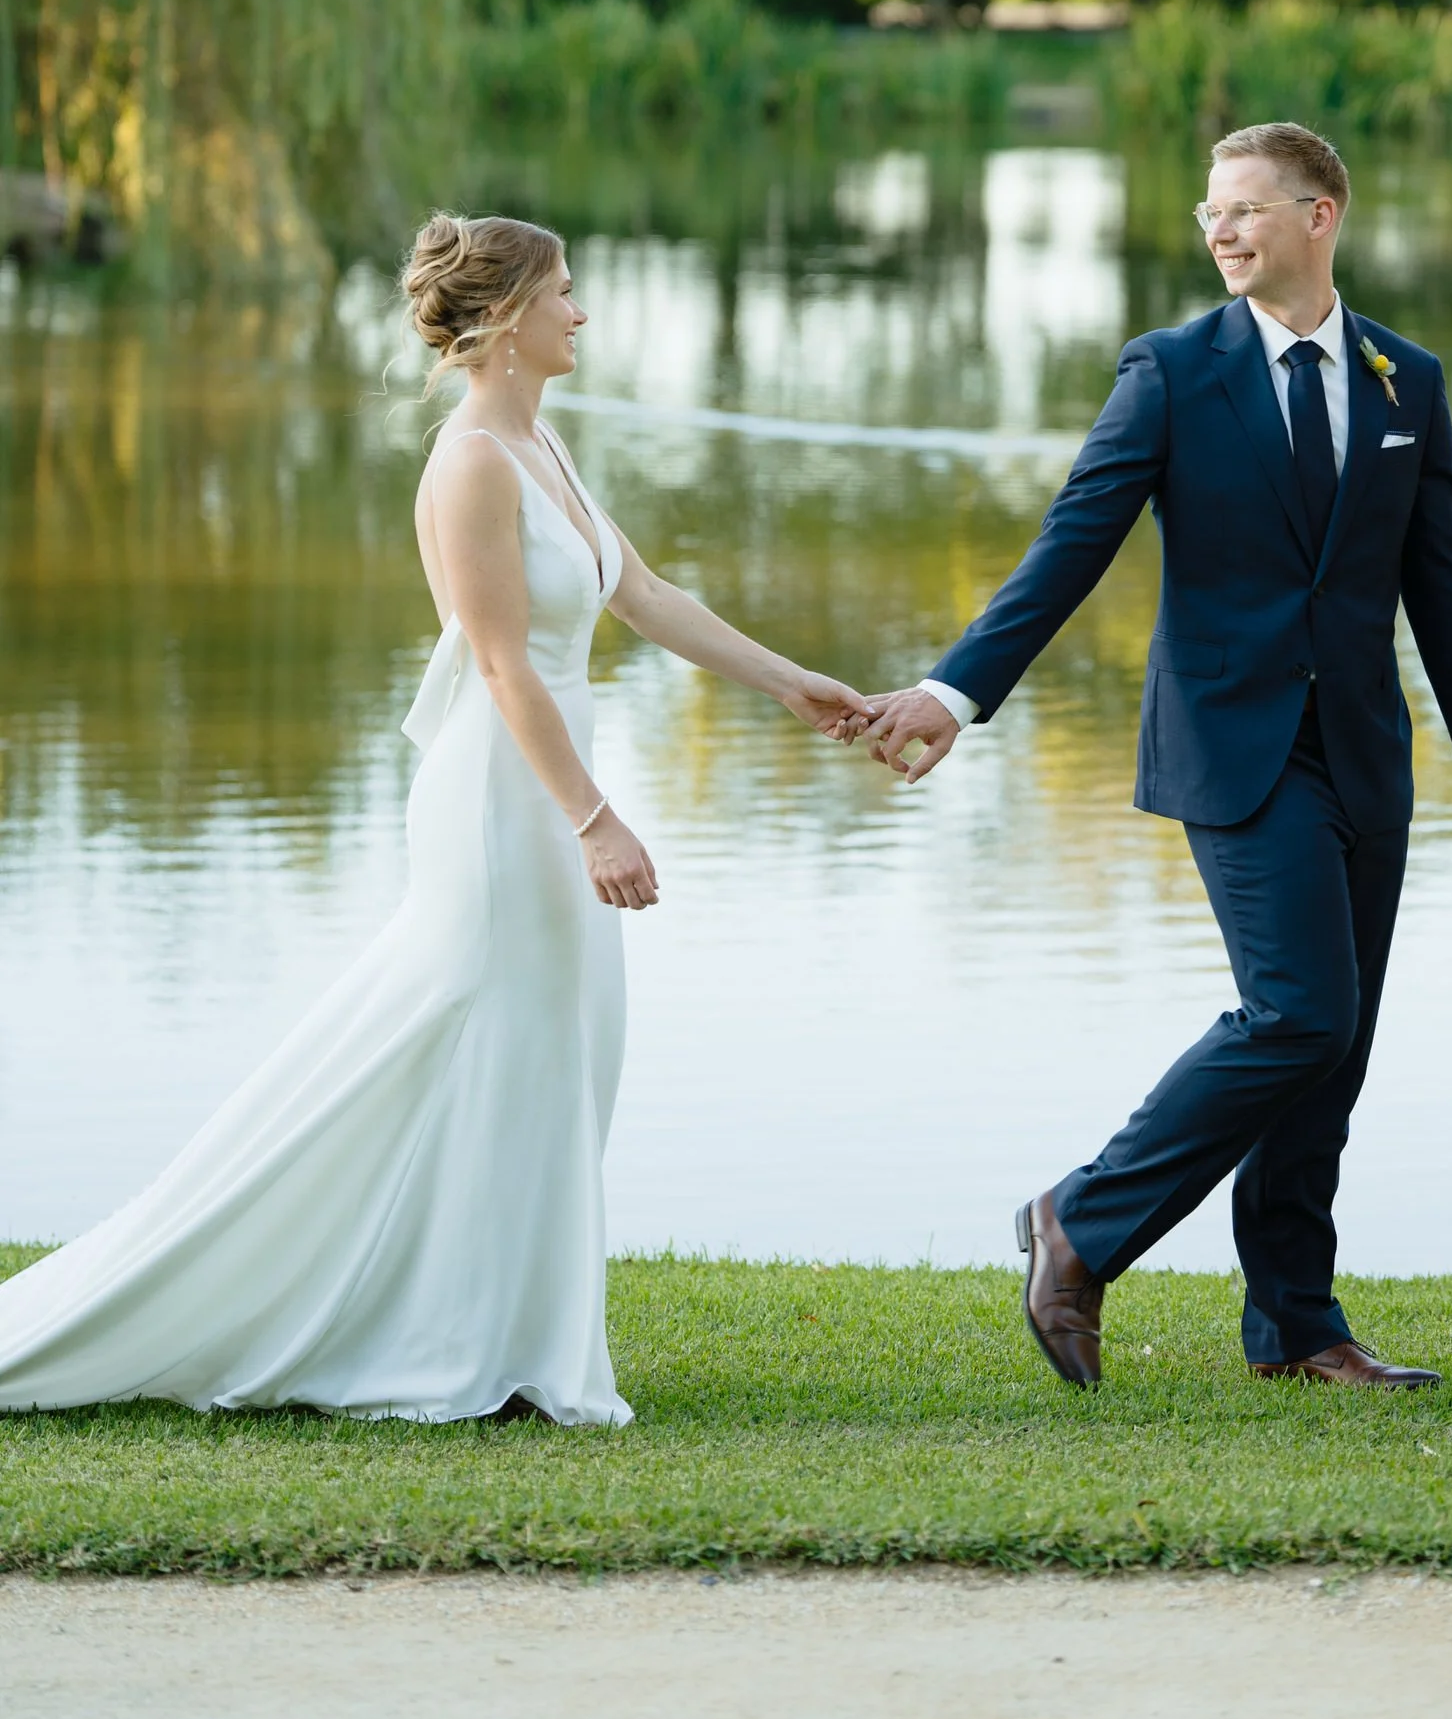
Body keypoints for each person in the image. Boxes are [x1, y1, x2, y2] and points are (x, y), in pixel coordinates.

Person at [0, 213, 872, 1423]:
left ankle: (503, 1334)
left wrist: (792, 683)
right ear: (507, 316)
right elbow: (507, 667)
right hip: (505, 803)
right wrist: (595, 820)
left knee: (551, 1057)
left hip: (546, 792)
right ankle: (450, 1340)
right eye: (564, 292)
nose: (580, 312)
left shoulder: (539, 446)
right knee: (488, 1047)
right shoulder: (468, 462)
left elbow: (648, 594)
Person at [864, 123, 1452, 1390]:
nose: (1219, 230)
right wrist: (956, 690)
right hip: (1232, 746)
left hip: (1365, 753)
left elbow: (1441, 579)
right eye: (1207, 212)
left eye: (1245, 208)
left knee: (1333, 1047)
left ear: (1320, 213)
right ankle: (1079, 1220)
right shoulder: (1169, 371)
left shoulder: (1405, 379)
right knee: (1297, 1011)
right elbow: (1069, 546)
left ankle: (1294, 1324)